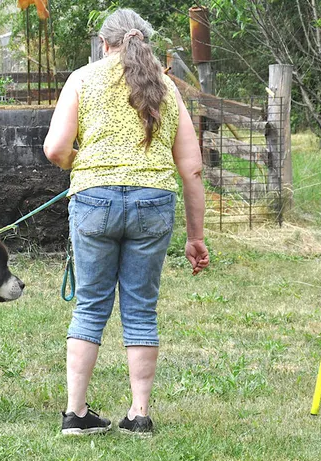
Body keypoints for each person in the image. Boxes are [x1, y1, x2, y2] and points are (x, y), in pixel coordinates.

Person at [43, 8, 209, 436]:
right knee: (140, 309)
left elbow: (55, 149)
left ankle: (75, 413)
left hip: (93, 200)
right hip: (153, 203)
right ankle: (139, 415)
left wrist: (82, 164)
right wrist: (195, 237)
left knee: (90, 304)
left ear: (104, 43)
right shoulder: (167, 87)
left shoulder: (82, 79)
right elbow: (192, 169)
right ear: (144, 42)